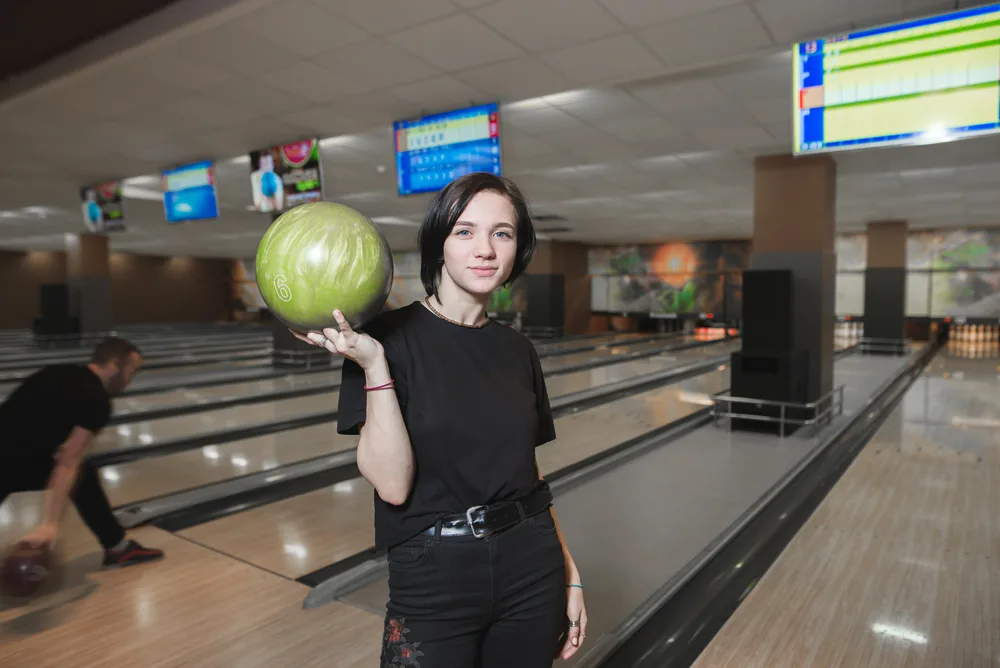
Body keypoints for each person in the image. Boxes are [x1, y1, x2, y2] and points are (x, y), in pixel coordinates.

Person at [295, 172, 587, 667]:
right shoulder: (381, 340)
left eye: (502, 233)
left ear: (518, 249)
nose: (486, 249)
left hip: (531, 565)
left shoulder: (519, 350)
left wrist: (569, 572)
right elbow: (391, 484)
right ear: (439, 245)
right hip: (434, 574)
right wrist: (373, 365)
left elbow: (528, 476)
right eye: (465, 231)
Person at [0, 336, 164, 569]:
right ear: (114, 364)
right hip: (11, 463)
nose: (130, 380)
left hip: (11, 458)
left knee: (80, 473)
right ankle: (118, 549)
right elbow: (69, 461)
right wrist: (50, 524)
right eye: (131, 371)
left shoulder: (56, 372)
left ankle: (117, 546)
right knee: (82, 474)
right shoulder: (96, 399)